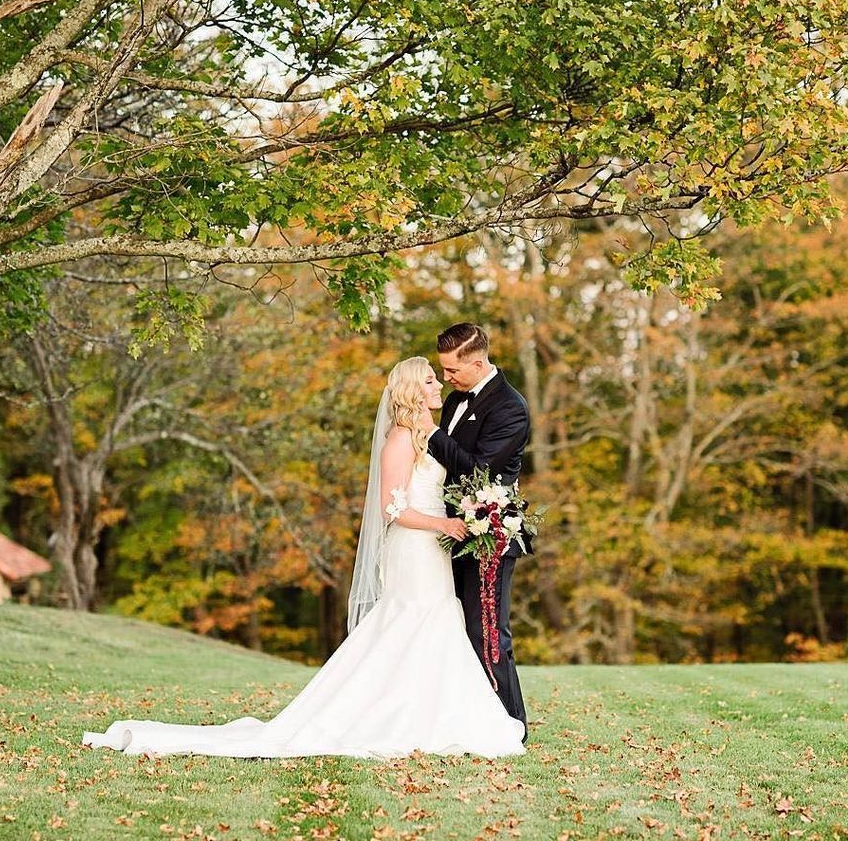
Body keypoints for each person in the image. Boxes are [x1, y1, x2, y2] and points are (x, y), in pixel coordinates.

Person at [81, 356, 525, 759]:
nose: (439, 385)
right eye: (430, 379)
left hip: (433, 551)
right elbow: (391, 509)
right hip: (416, 546)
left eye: (440, 377)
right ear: (412, 389)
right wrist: (443, 525)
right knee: (413, 623)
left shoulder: (433, 434)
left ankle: (437, 715)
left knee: (436, 624)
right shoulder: (400, 439)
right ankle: (389, 718)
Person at [425, 323, 531, 738]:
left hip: (489, 534)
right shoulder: (453, 400)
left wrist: (431, 433)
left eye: (452, 370)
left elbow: (477, 471)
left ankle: (510, 724)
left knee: (486, 629)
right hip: (448, 529)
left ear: (478, 362)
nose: (447, 378)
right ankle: (463, 718)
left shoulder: (509, 407)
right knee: (449, 625)